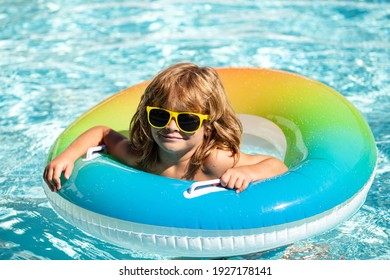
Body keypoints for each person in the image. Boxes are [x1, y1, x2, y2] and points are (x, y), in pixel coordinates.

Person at [43, 62, 287, 194]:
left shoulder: (215, 160)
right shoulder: (143, 157)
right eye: (160, 116)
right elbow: (103, 133)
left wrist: (248, 173)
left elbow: (277, 165)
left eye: (187, 120)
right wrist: (68, 155)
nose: (171, 127)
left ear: (208, 128)